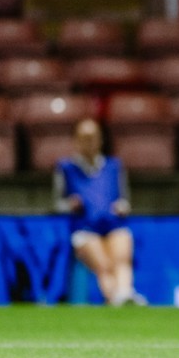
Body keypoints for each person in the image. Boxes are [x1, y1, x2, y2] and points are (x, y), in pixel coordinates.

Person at [53, 118, 145, 306]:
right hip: (84, 229)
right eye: (85, 138)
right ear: (76, 141)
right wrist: (70, 205)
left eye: (93, 137)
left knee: (121, 258)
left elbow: (124, 199)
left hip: (113, 225)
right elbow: (57, 204)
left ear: (100, 140)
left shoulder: (114, 166)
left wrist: (122, 207)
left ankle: (125, 293)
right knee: (103, 265)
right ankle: (116, 299)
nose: (89, 142)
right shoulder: (66, 168)